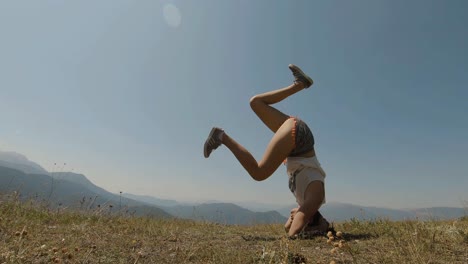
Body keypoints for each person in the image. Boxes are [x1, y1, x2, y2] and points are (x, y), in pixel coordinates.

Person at [203, 64, 329, 237]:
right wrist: (305, 228)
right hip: (299, 141)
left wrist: (297, 216)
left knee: (256, 103)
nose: (295, 215)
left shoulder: (307, 201)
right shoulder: (315, 199)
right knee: (259, 173)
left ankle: (299, 85)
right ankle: (221, 137)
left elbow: (288, 225)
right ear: (311, 218)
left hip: (295, 137)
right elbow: (294, 229)